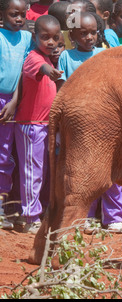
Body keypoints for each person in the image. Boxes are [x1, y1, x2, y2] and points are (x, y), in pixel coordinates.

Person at [14, 15, 63, 234]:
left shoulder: (51, 57)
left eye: (55, 37)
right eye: (45, 37)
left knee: (43, 173)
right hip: (31, 125)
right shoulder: (35, 58)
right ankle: (29, 217)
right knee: (32, 173)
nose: (50, 42)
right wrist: (50, 71)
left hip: (45, 125)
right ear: (35, 37)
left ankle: (39, 213)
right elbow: (41, 69)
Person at [0, 0, 34, 230]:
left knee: (5, 157)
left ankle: (2, 207)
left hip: (12, 104)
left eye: (23, 14)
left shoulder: (27, 39)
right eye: (14, 14)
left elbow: (24, 72)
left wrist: (14, 101)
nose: (20, 19)